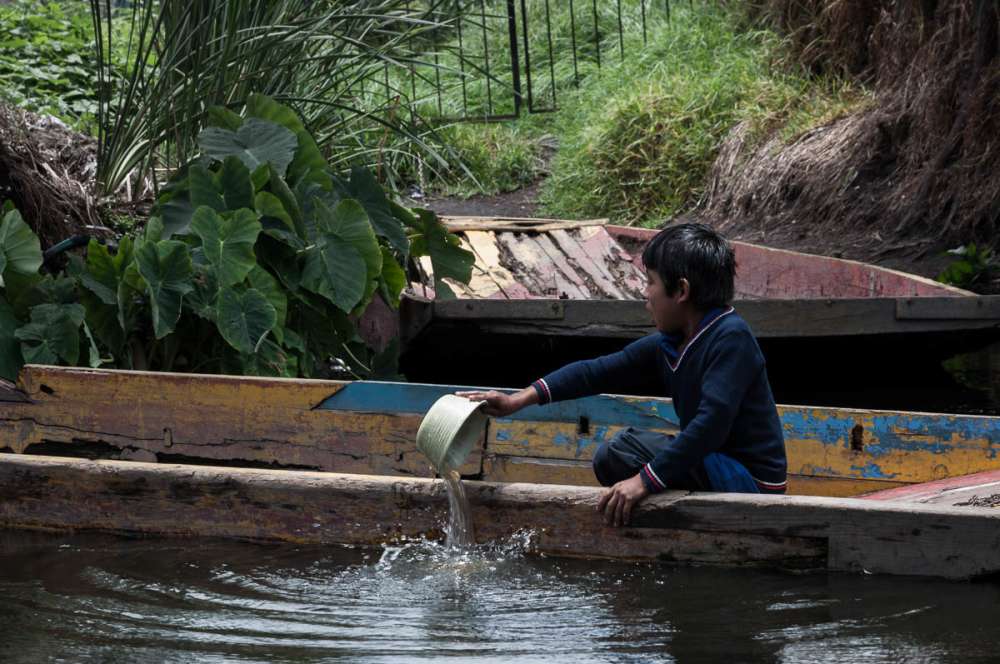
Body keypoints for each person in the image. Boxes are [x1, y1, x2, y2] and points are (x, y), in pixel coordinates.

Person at [457, 222, 787, 527]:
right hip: (712, 464)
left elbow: (711, 426)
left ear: (681, 291)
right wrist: (518, 400)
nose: (645, 295)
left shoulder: (730, 337)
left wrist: (643, 481)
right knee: (612, 460)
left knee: (621, 451)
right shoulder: (671, 343)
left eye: (651, 282)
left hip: (752, 483)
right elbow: (596, 372)